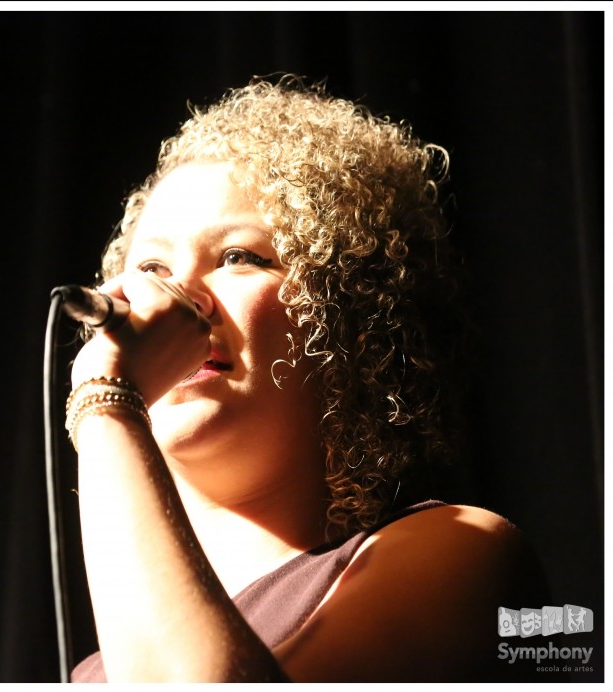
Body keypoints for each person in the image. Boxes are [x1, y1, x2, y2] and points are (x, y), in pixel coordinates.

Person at [63, 76, 549, 682]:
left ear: (347, 315)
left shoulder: (459, 554)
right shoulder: (90, 675)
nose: (177, 297)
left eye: (239, 257)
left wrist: (106, 399)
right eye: (152, 266)